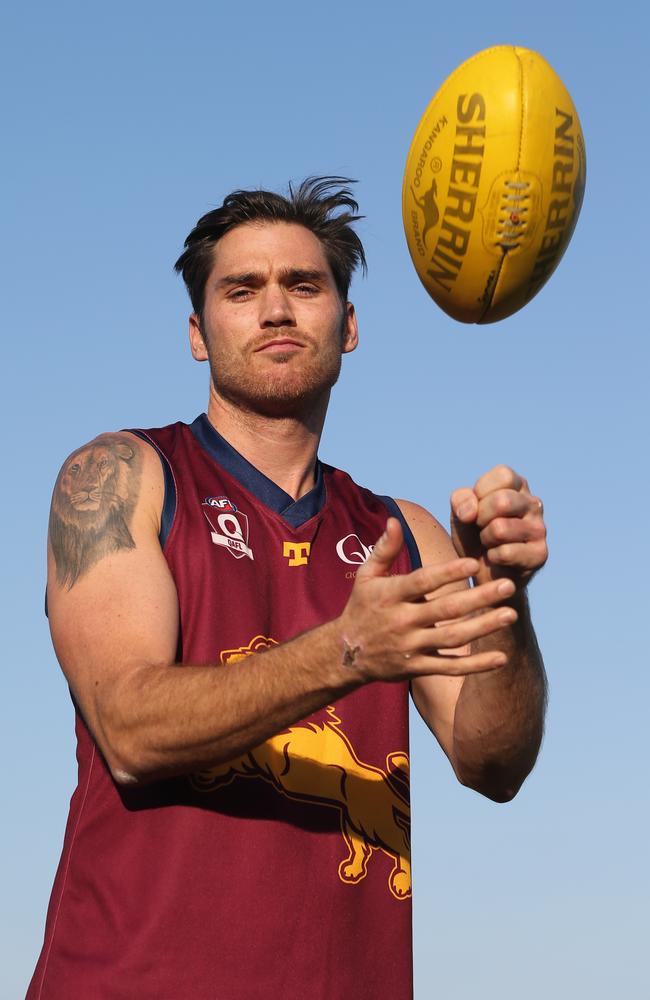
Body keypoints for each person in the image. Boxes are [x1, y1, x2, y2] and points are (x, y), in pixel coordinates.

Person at [28, 177, 547, 999]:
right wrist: (347, 650)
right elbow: (128, 728)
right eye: (242, 290)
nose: (275, 310)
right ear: (198, 334)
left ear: (347, 326)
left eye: (304, 286)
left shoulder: (402, 532)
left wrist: (507, 599)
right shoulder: (124, 475)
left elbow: (494, 763)